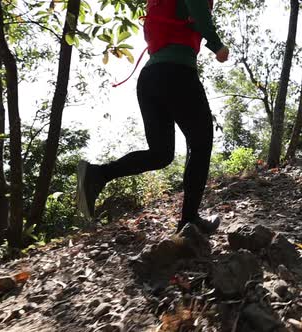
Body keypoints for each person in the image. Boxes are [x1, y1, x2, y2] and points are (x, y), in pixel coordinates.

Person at [76, 0, 229, 234]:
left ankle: (97, 174)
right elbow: (198, 12)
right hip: (176, 73)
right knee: (201, 143)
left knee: (161, 154)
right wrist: (217, 45)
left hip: (150, 78)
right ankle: (189, 220)